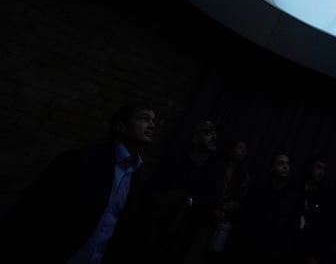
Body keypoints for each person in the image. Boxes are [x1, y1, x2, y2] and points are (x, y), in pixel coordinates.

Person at [0, 101, 156, 263]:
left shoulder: (135, 172)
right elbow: (33, 211)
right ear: (120, 126)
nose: (152, 125)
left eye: (153, 120)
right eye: (144, 118)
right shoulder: (81, 160)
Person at [146, 119, 225, 264]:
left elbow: (214, 198)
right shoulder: (175, 161)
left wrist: (191, 201)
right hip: (161, 229)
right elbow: (155, 190)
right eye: (208, 132)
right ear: (195, 138)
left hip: (192, 233)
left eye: (215, 133)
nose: (214, 136)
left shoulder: (216, 168)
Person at [228, 152, 303, 264]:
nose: (285, 167)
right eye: (280, 163)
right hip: (249, 249)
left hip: (272, 254)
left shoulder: (293, 198)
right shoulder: (258, 190)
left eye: (287, 163)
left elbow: (291, 229)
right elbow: (245, 218)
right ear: (272, 168)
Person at [203, 139, 252, 263]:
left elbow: (242, 201)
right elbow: (206, 189)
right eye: (240, 147)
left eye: (245, 149)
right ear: (232, 149)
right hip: (206, 214)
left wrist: (235, 205)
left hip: (225, 220)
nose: (243, 151)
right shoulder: (218, 166)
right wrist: (212, 207)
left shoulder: (244, 176)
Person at [294, 153, 335, 264]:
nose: (321, 172)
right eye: (318, 167)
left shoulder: (325, 198)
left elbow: (324, 229)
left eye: (324, 169)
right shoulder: (297, 188)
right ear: (311, 167)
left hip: (305, 252)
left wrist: (314, 255)